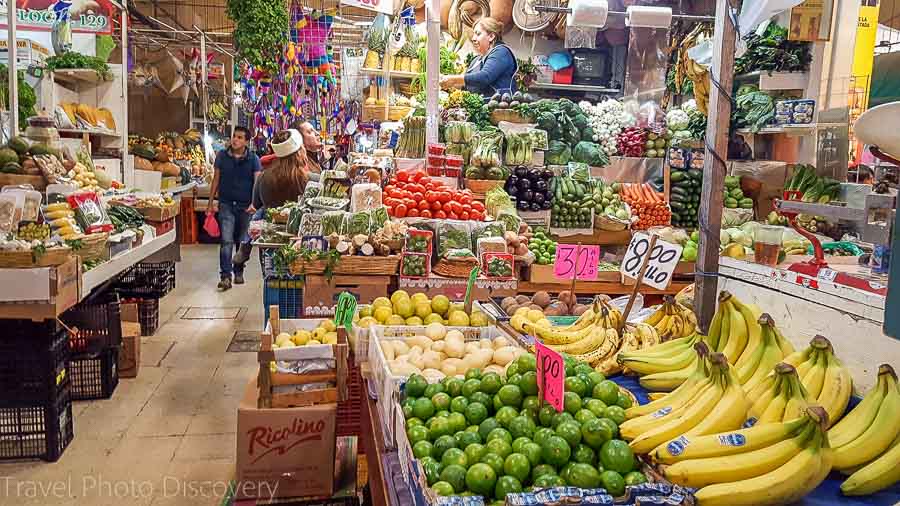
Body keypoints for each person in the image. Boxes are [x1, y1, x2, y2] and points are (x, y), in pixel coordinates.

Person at [207, 126, 261, 291]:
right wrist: (210, 202)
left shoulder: (253, 159)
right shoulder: (222, 157)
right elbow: (216, 179)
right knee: (226, 241)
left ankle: (238, 271)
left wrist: (255, 203)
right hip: (226, 204)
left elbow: (257, 182)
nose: (235, 140)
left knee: (243, 241)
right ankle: (225, 276)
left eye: (239, 137)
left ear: (246, 141)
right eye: (234, 137)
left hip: (246, 207)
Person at [439, 17, 517, 97]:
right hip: (479, 107)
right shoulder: (476, 60)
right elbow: (467, 84)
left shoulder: (501, 52)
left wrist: (453, 79)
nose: (473, 38)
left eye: (478, 34)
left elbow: (484, 77)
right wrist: (446, 81)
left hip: (499, 107)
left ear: (491, 36)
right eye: (473, 34)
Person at [253, 129, 313, 209]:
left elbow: (256, 204)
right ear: (300, 152)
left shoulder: (263, 178)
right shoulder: (312, 180)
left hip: (270, 219)